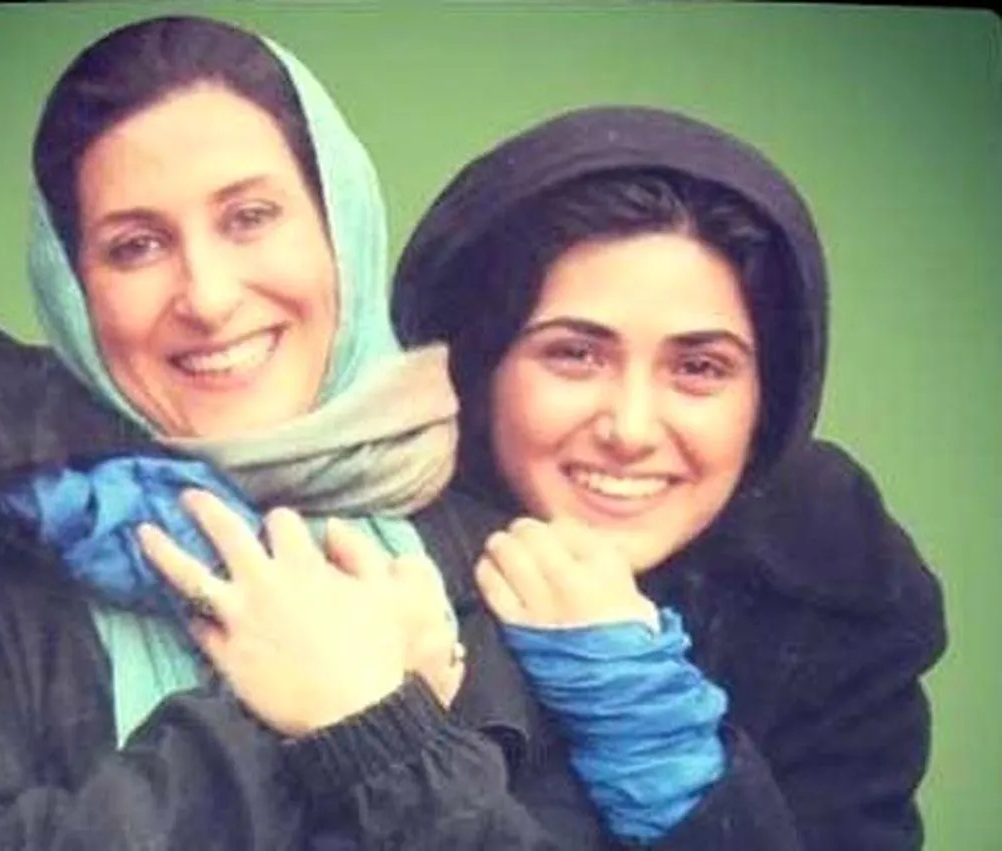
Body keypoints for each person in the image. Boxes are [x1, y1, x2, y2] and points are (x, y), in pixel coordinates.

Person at [0, 14, 613, 849]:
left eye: (249, 216)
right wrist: (279, 719)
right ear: (75, 288)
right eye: (136, 245)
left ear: (339, 226)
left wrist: (385, 739)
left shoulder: (508, 546)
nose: (206, 296)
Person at [390, 104, 948, 849]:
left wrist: (659, 744)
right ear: (477, 368)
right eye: (575, 354)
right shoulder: (361, 548)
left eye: (700, 367)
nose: (631, 430)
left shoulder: (833, 571)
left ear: (766, 399)